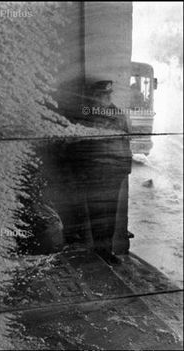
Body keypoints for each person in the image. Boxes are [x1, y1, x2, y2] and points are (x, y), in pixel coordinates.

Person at [65, 80, 132, 265]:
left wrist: (125, 168)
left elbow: (125, 142)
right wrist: (80, 172)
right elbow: (77, 145)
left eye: (106, 95)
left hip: (112, 173)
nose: (104, 98)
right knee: (94, 214)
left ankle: (106, 251)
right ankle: (97, 251)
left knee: (109, 214)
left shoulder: (118, 115)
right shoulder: (86, 115)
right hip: (93, 173)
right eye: (101, 95)